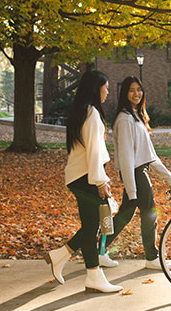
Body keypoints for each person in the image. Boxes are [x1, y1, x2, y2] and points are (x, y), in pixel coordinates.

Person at [45, 70, 122, 293]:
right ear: (95, 89)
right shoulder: (91, 115)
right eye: (105, 88)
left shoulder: (84, 111)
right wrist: (100, 181)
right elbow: (94, 152)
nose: (107, 92)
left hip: (81, 176)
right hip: (85, 177)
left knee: (91, 226)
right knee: (92, 227)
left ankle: (61, 256)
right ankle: (92, 276)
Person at [100, 76, 171, 270]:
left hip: (139, 170)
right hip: (134, 173)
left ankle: (99, 250)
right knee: (149, 212)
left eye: (139, 89)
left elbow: (150, 155)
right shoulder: (125, 119)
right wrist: (131, 187)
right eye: (131, 90)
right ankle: (152, 258)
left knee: (125, 215)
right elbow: (126, 155)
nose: (136, 93)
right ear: (124, 94)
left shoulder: (137, 116)